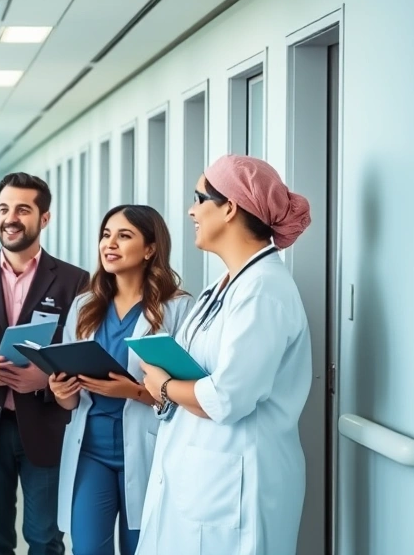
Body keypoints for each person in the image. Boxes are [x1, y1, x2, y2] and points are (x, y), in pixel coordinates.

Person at [135, 155, 313, 555]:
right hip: (201, 475)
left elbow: (225, 398)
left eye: (200, 198)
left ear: (230, 207)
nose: (191, 210)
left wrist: (162, 385)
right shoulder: (226, 284)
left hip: (238, 483)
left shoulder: (264, 289)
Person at [48, 205, 193, 555]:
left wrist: (133, 392)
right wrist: (60, 391)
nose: (109, 244)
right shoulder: (85, 305)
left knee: (143, 549)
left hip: (149, 450)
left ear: (150, 249)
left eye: (124, 236)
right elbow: (72, 400)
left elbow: (191, 396)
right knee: (87, 549)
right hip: (91, 452)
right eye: (106, 234)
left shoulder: (178, 309)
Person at [0, 172, 89, 555]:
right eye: (3, 209)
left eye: (22, 209)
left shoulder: (74, 281)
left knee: (46, 539)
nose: (10, 218)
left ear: (44, 218)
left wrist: (45, 379)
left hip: (47, 426)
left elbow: (81, 353)